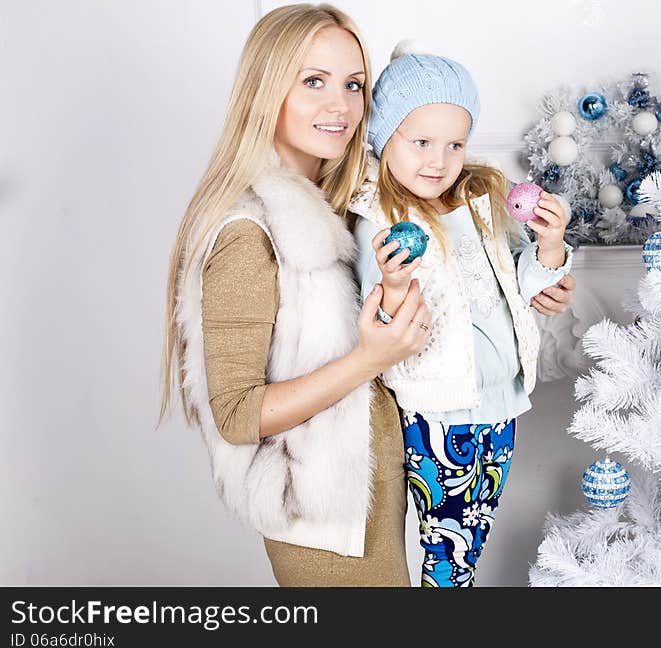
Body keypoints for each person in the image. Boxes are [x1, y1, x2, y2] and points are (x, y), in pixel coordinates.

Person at [159, 4, 432, 586]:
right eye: (314, 82)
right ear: (266, 90)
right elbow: (236, 416)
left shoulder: (338, 206)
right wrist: (369, 360)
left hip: (376, 499)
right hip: (324, 523)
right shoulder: (247, 229)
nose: (341, 106)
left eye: (354, 85)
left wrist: (540, 275)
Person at [351, 46, 576, 586]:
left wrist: (550, 245)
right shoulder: (377, 221)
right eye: (421, 142)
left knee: (470, 542)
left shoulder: (479, 202)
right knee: (446, 551)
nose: (439, 159)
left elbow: (519, 285)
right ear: (384, 138)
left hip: (502, 400)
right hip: (439, 409)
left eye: (455, 143)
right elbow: (377, 325)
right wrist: (396, 283)